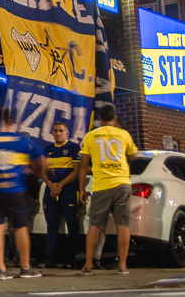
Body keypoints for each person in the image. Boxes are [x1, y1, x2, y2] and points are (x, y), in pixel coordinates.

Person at [0, 114, 48, 280]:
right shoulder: (21, 140)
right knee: (20, 228)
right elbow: (41, 160)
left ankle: (1, 269)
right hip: (16, 190)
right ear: (12, 123)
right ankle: (25, 267)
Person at [78, 105, 137, 276]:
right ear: (115, 118)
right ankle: (123, 265)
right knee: (123, 225)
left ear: (100, 119)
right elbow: (133, 155)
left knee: (95, 226)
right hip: (122, 183)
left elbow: (83, 165)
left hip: (101, 185)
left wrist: (82, 189)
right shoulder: (123, 134)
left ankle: (88, 265)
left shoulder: (90, 136)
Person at [42, 122, 80, 269]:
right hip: (51, 191)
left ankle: (70, 259)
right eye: (56, 131)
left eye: (61, 131)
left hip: (69, 191)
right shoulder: (48, 149)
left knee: (72, 224)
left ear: (67, 133)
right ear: (52, 133)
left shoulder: (73, 148)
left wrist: (60, 185)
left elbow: (76, 172)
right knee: (51, 226)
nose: (58, 133)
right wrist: (51, 185)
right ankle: (50, 258)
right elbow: (43, 171)